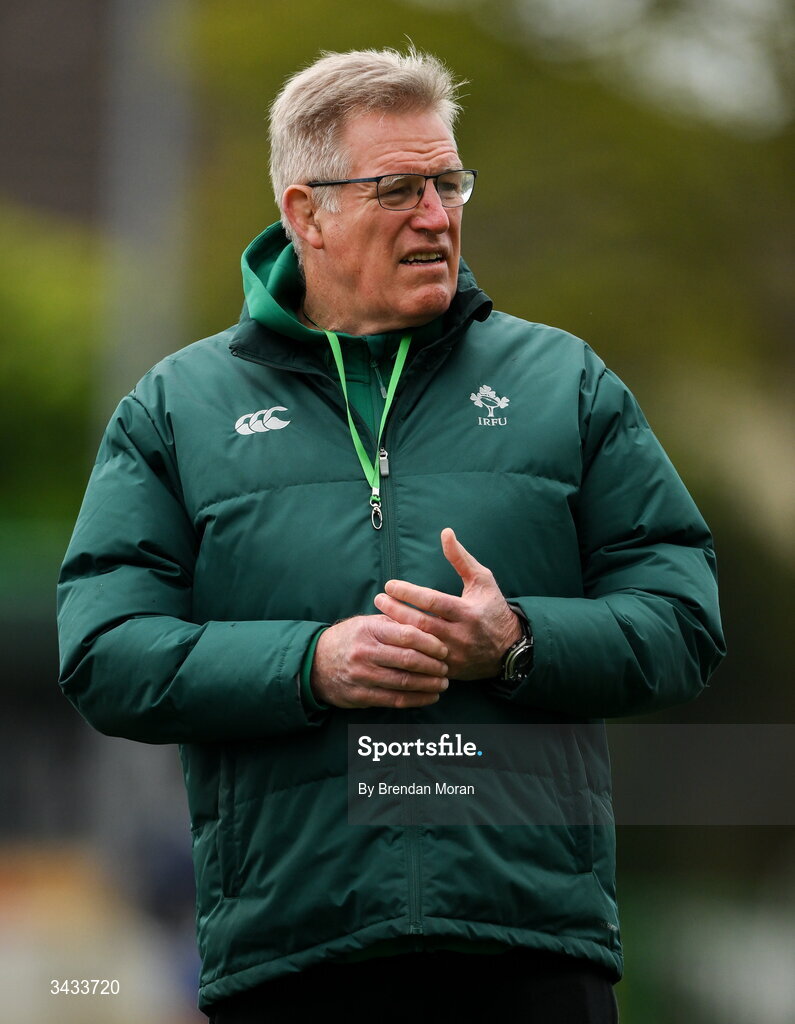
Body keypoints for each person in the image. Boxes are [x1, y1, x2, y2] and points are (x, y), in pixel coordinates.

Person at [57, 47, 725, 1022]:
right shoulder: (176, 410)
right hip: (296, 950)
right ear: (305, 214)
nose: (438, 214)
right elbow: (104, 651)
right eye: (399, 188)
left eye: (449, 181)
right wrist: (309, 663)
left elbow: (685, 618)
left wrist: (520, 641)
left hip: (530, 945)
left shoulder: (566, 383)